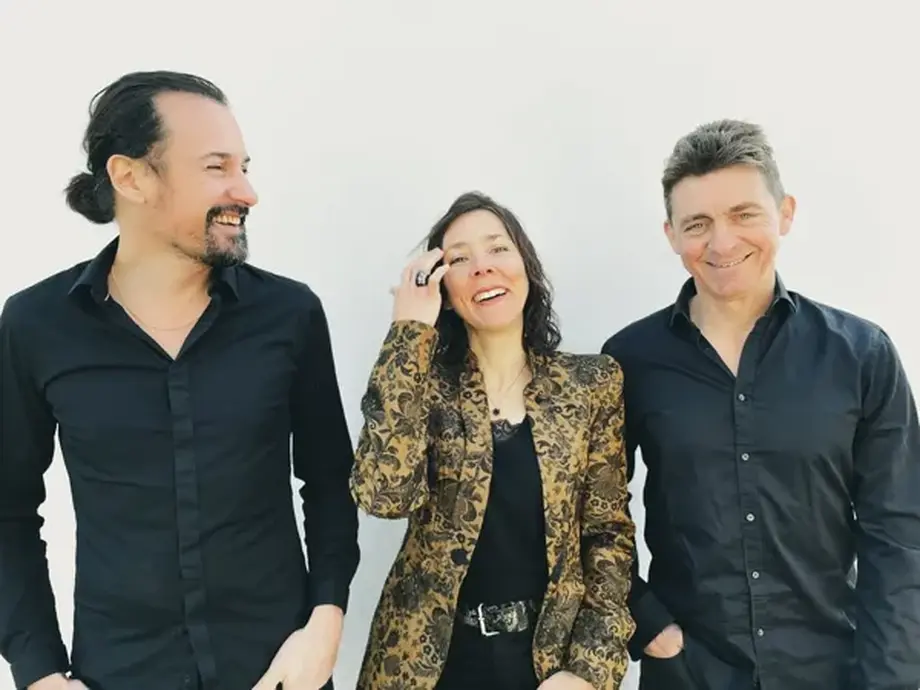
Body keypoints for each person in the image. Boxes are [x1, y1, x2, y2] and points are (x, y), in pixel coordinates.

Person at [0, 71, 360, 690]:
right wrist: (39, 674)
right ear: (131, 177)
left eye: (244, 166)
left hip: (279, 671)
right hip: (121, 672)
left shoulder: (290, 314)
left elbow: (330, 483)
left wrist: (324, 628)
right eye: (217, 167)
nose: (247, 191)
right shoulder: (37, 325)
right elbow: (6, 510)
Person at [603, 119, 920, 689]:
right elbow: (586, 515)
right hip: (689, 674)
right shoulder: (628, 361)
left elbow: (899, 537)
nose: (722, 243)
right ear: (672, 235)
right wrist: (648, 624)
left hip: (832, 672)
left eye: (743, 214)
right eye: (698, 224)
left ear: (785, 213)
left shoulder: (861, 355)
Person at [349, 191, 636, 690]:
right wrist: (408, 332)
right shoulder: (424, 386)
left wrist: (589, 670)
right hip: (427, 666)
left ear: (526, 266)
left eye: (498, 248)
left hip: (547, 665)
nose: (483, 267)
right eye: (460, 259)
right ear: (443, 288)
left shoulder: (591, 384)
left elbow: (607, 535)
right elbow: (383, 495)